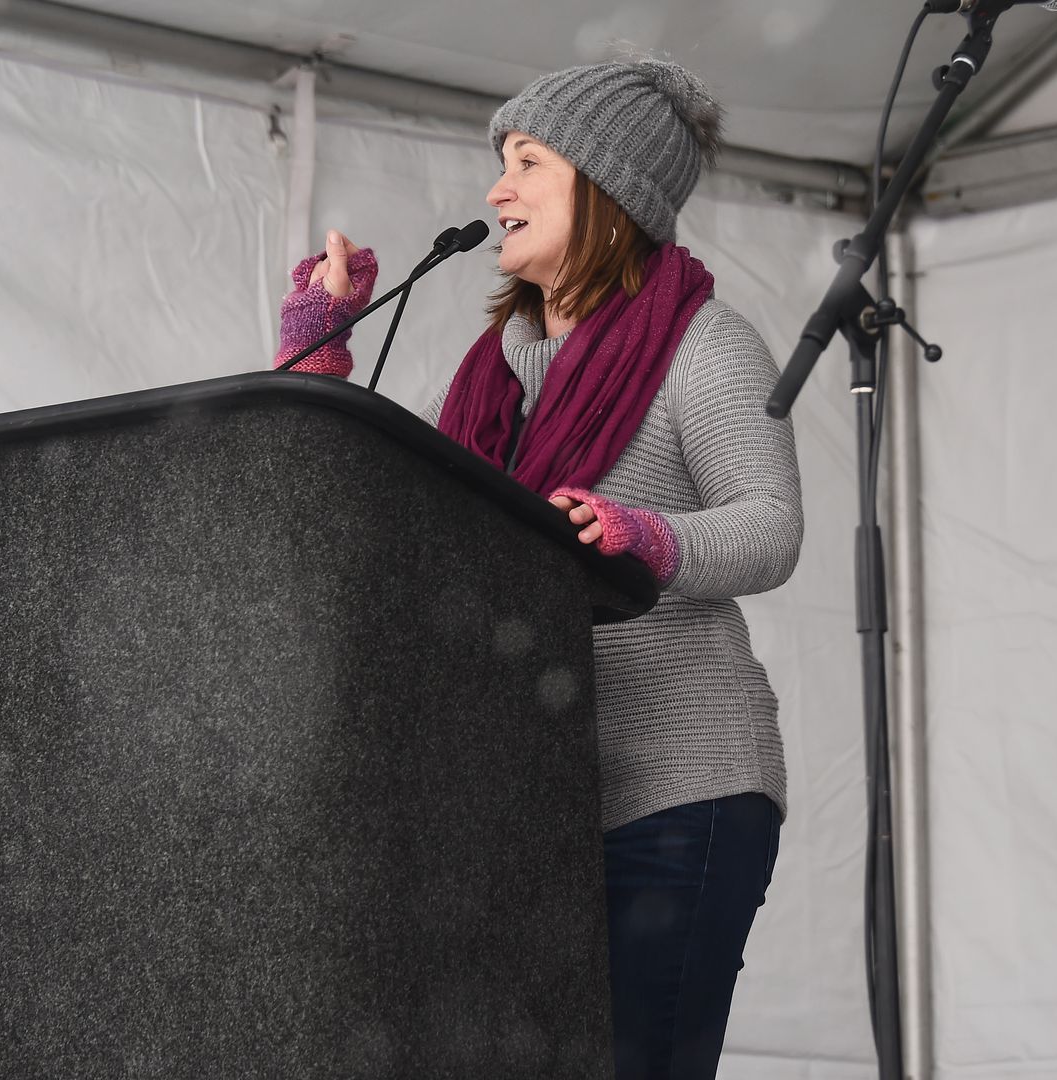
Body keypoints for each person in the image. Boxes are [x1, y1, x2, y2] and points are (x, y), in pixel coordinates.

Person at [271, 56, 804, 1080]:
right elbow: (383, 522)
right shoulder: (492, 373)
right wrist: (322, 356)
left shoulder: (706, 345)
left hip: (679, 787)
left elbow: (772, 526)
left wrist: (646, 538)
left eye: (527, 163)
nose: (497, 189)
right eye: (503, 163)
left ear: (608, 188)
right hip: (525, 798)